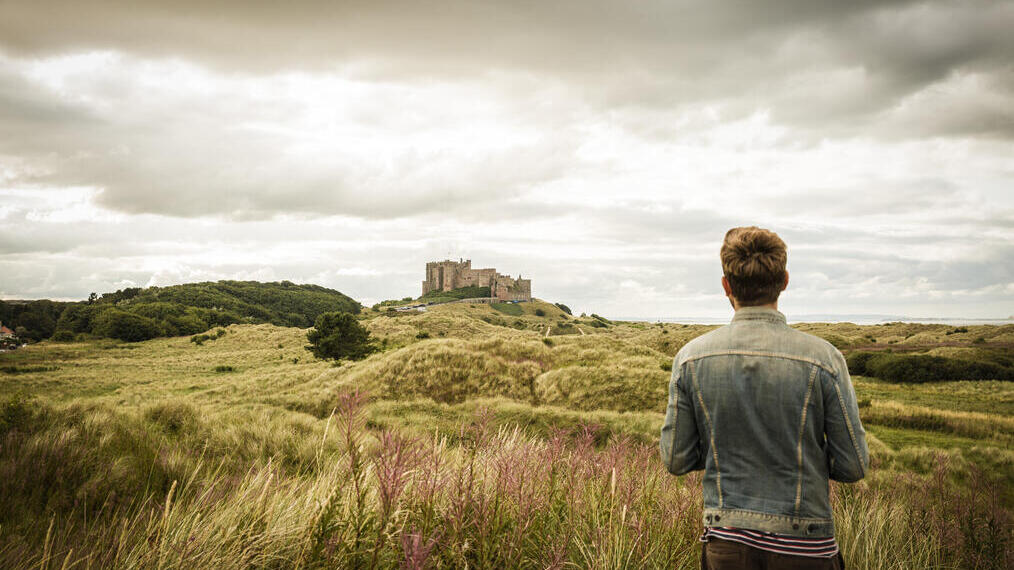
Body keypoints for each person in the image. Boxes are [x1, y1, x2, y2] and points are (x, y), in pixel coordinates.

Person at [660, 226, 868, 569]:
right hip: (806, 545)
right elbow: (853, 466)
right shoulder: (825, 359)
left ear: (726, 286)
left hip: (727, 542)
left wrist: (723, 452)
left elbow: (676, 460)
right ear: (784, 281)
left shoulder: (690, 359)